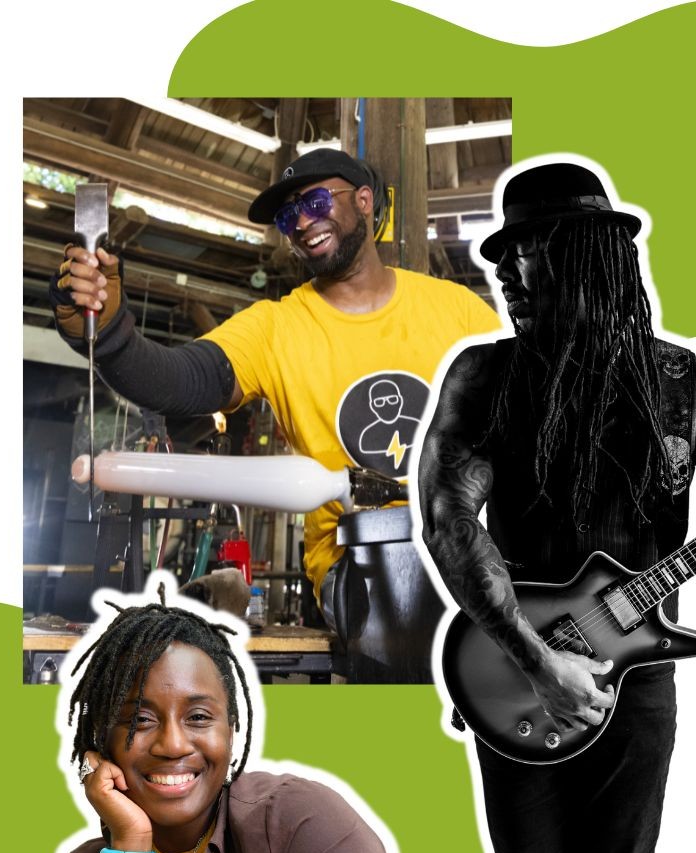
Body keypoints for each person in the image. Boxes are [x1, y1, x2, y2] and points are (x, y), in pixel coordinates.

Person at [418, 161, 695, 853]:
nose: (504, 270)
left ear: (588, 251)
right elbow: (447, 519)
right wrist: (538, 661)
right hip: (512, 671)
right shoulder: (489, 376)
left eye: (528, 247)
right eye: (499, 254)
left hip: (638, 680)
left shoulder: (681, 382)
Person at [50, 148, 499, 628]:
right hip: (358, 563)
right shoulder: (276, 329)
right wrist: (112, 335)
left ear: (364, 201)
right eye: (289, 216)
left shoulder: (457, 311)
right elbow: (181, 380)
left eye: (318, 202)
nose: (303, 222)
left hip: (472, 537)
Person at [55, 586, 411, 853]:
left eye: (197, 716)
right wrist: (130, 843)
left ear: (231, 730)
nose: (173, 745)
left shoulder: (301, 825)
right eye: (140, 721)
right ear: (102, 740)